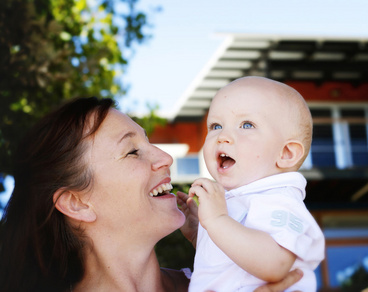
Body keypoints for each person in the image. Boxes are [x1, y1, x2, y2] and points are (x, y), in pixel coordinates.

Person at [0, 96, 303, 292]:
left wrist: (217, 247)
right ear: (76, 202)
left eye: (148, 141)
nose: (164, 157)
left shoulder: (221, 281)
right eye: (133, 151)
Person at [181, 76, 325, 292]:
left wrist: (217, 221)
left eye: (246, 125)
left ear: (286, 153)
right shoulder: (238, 200)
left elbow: (274, 264)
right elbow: (234, 258)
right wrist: (199, 233)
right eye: (216, 125)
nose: (223, 136)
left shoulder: (278, 199)